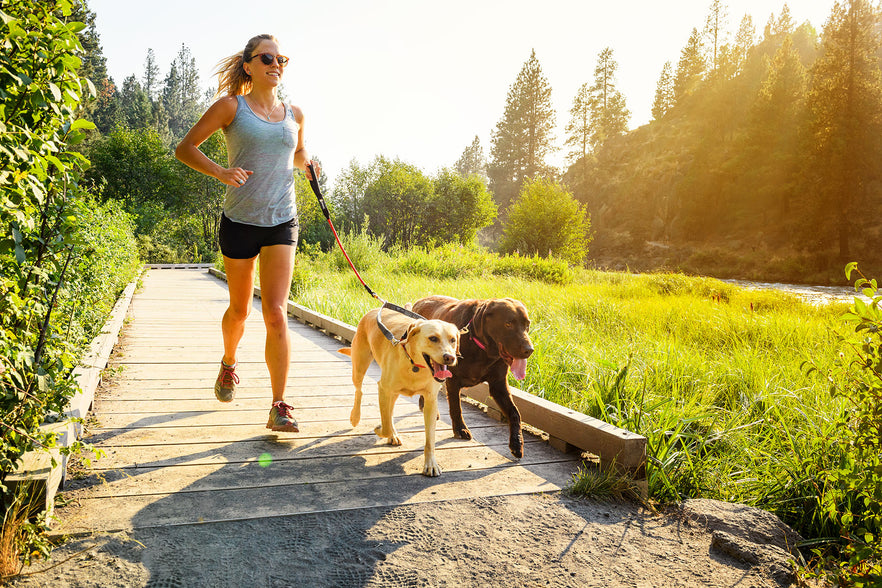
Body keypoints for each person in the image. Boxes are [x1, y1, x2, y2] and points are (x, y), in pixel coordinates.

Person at [175, 34, 319, 432]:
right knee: (240, 310)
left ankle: (279, 405)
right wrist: (220, 172)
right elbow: (185, 148)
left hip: (282, 220)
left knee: (275, 312)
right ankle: (228, 364)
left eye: (282, 58)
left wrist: (308, 163)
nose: (277, 64)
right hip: (239, 221)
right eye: (268, 58)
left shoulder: (296, 114)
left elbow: (297, 153)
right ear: (249, 66)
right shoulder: (230, 107)